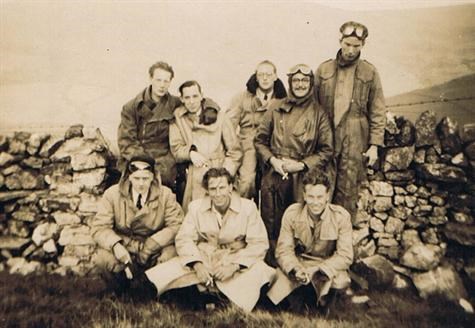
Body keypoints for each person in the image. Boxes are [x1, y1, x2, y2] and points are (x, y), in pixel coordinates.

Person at [145, 168, 275, 312]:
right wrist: (197, 264)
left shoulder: (248, 207)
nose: (218, 194)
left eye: (222, 188)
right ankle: (206, 295)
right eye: (213, 189)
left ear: (231, 187)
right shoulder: (195, 207)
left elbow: (259, 243)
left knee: (260, 271)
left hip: (234, 257)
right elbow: (184, 238)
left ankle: (216, 297)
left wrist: (234, 266)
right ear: (207, 190)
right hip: (206, 257)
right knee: (166, 272)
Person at [254, 63, 333, 256]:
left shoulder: (319, 113)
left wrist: (301, 165)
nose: (300, 85)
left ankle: (298, 265)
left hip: (302, 177)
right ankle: (271, 264)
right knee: (271, 221)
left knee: (299, 222)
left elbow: (326, 149)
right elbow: (259, 140)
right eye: (296, 80)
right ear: (290, 82)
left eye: (304, 80)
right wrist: (273, 161)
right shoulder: (276, 107)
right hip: (275, 173)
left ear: (310, 83)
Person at [314, 21, 386, 220]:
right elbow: (311, 107)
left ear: (363, 45)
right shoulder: (323, 69)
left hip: (355, 138)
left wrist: (374, 145)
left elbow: (378, 109)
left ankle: (342, 242)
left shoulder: (369, 72)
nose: (351, 50)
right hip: (326, 135)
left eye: (356, 46)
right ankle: (319, 240)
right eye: (347, 44)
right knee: (321, 187)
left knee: (347, 189)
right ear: (340, 41)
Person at [90, 154, 184, 296]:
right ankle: (121, 290)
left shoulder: (166, 195)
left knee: (172, 254)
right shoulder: (112, 194)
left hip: (154, 249)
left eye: (145, 179)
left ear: (153, 177)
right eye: (136, 178)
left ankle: (158, 292)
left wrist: (152, 244)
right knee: (102, 258)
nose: (141, 184)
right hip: (126, 247)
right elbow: (99, 228)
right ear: (128, 177)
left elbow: (177, 225)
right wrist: (116, 246)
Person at [267, 170, 353, 313]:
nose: (315, 202)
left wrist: (319, 269)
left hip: (326, 265)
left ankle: (324, 304)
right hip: (301, 264)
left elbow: (345, 255)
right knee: (278, 281)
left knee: (340, 281)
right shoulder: (292, 214)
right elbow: (283, 250)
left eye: (320, 197)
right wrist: (296, 268)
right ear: (304, 196)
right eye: (311, 197)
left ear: (327, 196)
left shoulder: (341, 217)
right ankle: (300, 302)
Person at [169, 80, 242, 212]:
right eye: (187, 97)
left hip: (219, 168)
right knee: (197, 214)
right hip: (194, 175)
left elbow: (235, 152)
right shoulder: (178, 118)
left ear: (202, 96)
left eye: (195, 96)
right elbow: (176, 148)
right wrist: (190, 154)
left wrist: (225, 174)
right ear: (181, 99)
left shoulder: (220, 117)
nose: (191, 101)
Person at [226, 60, 287, 200]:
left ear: (275, 76)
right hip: (248, 143)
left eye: (269, 74)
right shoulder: (242, 98)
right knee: (246, 182)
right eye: (261, 74)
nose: (265, 78)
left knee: (275, 185)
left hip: (273, 145)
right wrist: (233, 148)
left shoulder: (283, 100)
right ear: (256, 77)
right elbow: (228, 125)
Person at [118, 61, 181, 192]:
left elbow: (196, 103)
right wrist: (145, 163)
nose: (162, 85)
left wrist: (210, 108)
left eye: (166, 81)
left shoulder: (175, 103)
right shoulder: (132, 107)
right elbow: (127, 142)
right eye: (158, 80)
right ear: (150, 78)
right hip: (139, 157)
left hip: (166, 160)